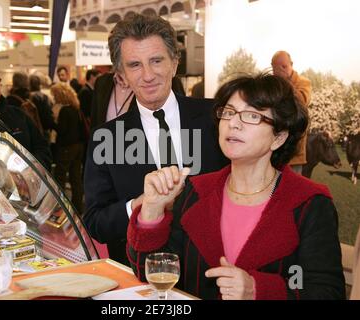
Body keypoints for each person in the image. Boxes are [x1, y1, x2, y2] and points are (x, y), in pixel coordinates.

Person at [127, 73, 345, 300]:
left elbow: (328, 292)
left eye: (252, 115)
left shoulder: (310, 203)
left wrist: (257, 290)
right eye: (229, 112)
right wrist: (152, 210)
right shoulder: (196, 191)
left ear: (278, 138)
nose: (233, 123)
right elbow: (150, 275)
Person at [83, 14, 229, 265]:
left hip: (213, 273)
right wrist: (140, 205)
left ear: (175, 63)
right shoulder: (106, 138)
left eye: (156, 60)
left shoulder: (216, 118)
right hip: (140, 275)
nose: (148, 75)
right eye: (135, 65)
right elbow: (95, 223)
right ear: (121, 74)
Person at [91, 72, 186, 131]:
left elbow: (181, 121)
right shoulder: (102, 82)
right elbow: (95, 122)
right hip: (106, 153)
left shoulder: (168, 81)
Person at [271, 51, 312, 174]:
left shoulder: (304, 82)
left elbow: (302, 101)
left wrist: (285, 82)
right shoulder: (271, 84)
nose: (281, 71)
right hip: (273, 148)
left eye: (284, 67)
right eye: (276, 68)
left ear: (291, 64)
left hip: (293, 151)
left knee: (292, 188)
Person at [50, 83, 85, 213]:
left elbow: (62, 130)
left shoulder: (64, 110)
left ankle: (61, 208)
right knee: (76, 178)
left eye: (54, 95)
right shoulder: (76, 108)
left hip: (66, 148)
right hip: (78, 146)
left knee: (60, 177)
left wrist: (51, 123)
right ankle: (78, 208)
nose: (53, 97)